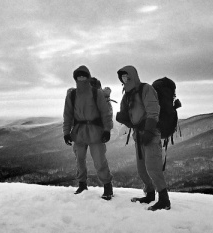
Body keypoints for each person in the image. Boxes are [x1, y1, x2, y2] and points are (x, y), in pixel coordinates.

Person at [115, 65, 171, 211]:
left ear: (133, 75)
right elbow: (128, 114)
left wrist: (149, 131)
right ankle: (150, 194)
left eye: (127, 76)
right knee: (142, 169)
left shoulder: (146, 89)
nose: (124, 79)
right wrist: (122, 118)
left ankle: (164, 199)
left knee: (153, 167)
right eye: (122, 77)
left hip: (151, 133)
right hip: (138, 135)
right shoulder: (127, 94)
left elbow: (153, 111)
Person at [63, 65, 114, 200]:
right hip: (79, 131)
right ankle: (82, 184)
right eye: (78, 76)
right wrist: (66, 132)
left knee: (99, 160)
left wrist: (107, 130)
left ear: (88, 77)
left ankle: (107, 186)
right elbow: (67, 115)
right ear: (75, 78)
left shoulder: (96, 93)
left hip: (95, 131)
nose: (81, 78)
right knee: (79, 159)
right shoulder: (72, 95)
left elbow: (105, 113)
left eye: (83, 76)